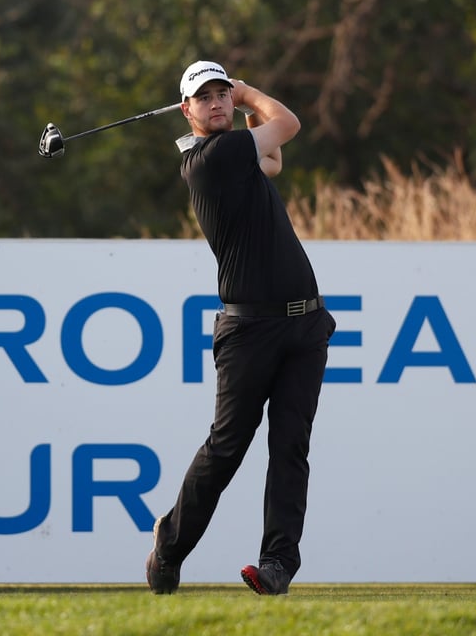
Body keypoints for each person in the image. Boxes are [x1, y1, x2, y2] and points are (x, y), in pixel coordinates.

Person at [145, 62, 336, 596]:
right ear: (187, 111)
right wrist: (251, 92)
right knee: (227, 447)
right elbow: (288, 124)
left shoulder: (238, 157)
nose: (216, 104)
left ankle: (276, 564)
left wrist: (246, 107)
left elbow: (271, 157)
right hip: (249, 332)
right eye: (203, 98)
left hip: (304, 325)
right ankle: (169, 546)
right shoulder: (212, 157)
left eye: (222, 94)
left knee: (290, 446)